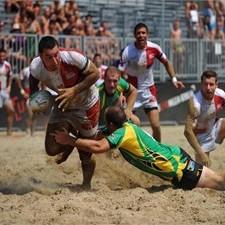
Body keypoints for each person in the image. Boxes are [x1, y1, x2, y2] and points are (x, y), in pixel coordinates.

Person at [52, 106, 225, 191]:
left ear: (112, 124)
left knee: (219, 183)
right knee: (218, 178)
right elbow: (96, 135)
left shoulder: (122, 134)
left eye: (108, 124)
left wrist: (70, 140)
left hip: (178, 169)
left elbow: (98, 146)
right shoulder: (123, 126)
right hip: (176, 156)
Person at [29, 36, 100, 189]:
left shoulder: (72, 57)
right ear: (41, 56)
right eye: (49, 57)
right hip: (63, 104)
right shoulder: (36, 67)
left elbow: (96, 73)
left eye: (56, 55)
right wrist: (37, 104)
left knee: (86, 153)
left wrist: (74, 90)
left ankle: (86, 185)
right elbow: (33, 87)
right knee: (52, 149)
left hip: (87, 105)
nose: (55, 60)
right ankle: (71, 142)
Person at [119, 23, 185, 142]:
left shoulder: (154, 48)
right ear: (135, 35)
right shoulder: (127, 52)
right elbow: (120, 73)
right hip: (132, 93)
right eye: (138, 33)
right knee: (130, 125)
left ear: (147, 35)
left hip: (149, 91)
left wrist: (174, 79)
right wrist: (121, 93)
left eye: (143, 33)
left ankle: (158, 152)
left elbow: (166, 62)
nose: (141, 35)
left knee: (156, 126)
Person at [184, 70, 225, 167]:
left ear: (216, 85)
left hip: (214, 128)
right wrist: (201, 154)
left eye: (211, 84)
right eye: (205, 84)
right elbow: (187, 131)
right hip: (200, 138)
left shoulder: (221, 95)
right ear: (201, 84)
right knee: (203, 172)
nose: (208, 88)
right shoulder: (195, 103)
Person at [0, 48, 15, 136]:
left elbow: (10, 76)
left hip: (4, 91)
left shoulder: (7, 65)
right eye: (0, 56)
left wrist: (9, 86)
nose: (2, 57)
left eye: (3, 56)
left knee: (11, 110)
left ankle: (9, 132)